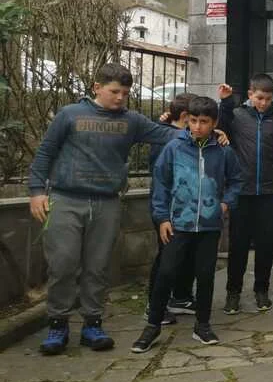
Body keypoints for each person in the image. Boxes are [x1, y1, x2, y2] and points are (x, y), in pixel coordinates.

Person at [28, 62, 180, 355]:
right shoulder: (70, 115)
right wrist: (36, 192)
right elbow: (45, 153)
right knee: (62, 264)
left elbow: (168, 135)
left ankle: (92, 324)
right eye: (114, 91)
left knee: (97, 267)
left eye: (125, 93)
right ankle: (58, 324)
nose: (120, 98)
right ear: (97, 88)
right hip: (65, 199)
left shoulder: (131, 121)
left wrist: (208, 132)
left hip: (107, 202)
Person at [132, 97, 244, 353]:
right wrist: (162, 218)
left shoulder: (224, 151)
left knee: (205, 275)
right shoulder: (174, 147)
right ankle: (152, 325)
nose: (197, 127)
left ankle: (202, 325)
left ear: (214, 123)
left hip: (208, 226)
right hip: (178, 224)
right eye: (193, 121)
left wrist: (226, 203)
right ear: (187, 120)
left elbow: (237, 180)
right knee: (166, 272)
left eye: (203, 122)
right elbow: (161, 183)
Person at [218, 74, 273, 314]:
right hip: (242, 191)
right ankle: (233, 292)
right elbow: (220, 128)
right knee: (238, 245)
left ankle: (262, 290)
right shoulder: (238, 116)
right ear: (250, 94)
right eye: (259, 98)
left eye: (268, 98)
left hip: (271, 192)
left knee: (266, 244)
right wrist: (225, 101)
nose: (263, 103)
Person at [145, 91, 197, 325]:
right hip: (169, 207)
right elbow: (162, 178)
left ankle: (181, 297)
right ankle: (154, 304)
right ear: (185, 116)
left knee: (187, 254)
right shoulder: (166, 139)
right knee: (166, 257)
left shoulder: (180, 134)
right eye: (194, 118)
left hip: (188, 206)